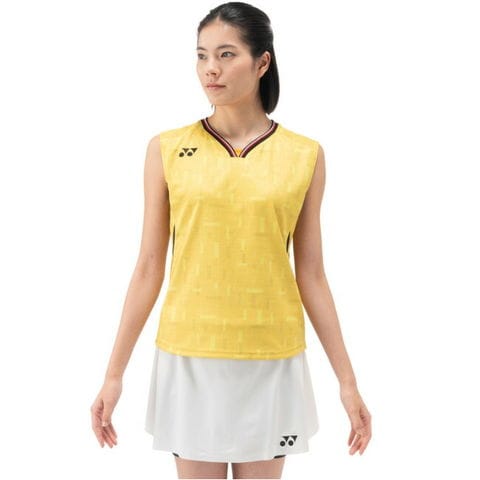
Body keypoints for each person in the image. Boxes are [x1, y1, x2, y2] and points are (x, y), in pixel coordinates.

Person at [90, 2, 372, 479]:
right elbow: (149, 266)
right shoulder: (166, 150)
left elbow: (312, 274)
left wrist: (347, 382)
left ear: (262, 62)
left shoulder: (304, 155)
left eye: (226, 54)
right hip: (190, 354)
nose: (210, 69)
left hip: (272, 357)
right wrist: (113, 375)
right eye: (202, 56)